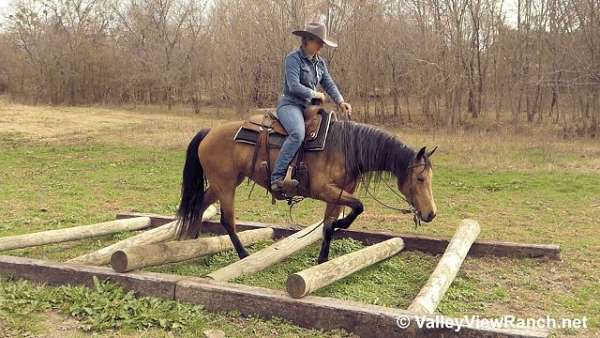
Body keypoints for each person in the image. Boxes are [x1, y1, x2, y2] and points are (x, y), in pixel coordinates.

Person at [271, 22, 352, 192]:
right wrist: (315, 94)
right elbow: (293, 86)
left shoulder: (320, 63)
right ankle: (277, 177)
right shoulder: (292, 59)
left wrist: (340, 101)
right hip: (290, 104)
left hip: (309, 108)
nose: (322, 46)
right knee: (297, 134)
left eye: (323, 43)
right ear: (307, 40)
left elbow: (328, 83)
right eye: (319, 42)